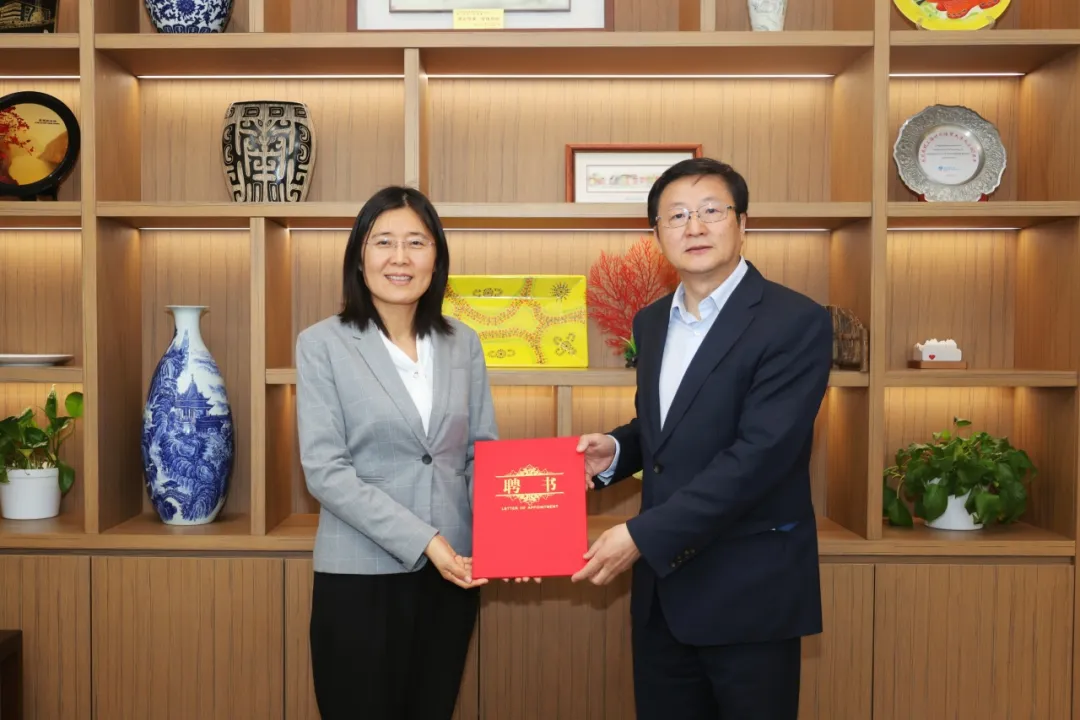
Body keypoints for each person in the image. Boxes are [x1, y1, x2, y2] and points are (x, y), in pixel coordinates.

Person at [572, 158, 833, 720]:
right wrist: (616, 452)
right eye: (677, 215)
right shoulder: (650, 322)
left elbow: (760, 457)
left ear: (743, 224)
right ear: (657, 234)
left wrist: (640, 535)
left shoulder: (795, 320)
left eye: (711, 211)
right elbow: (667, 427)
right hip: (664, 596)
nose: (694, 227)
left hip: (749, 594)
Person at [295, 185, 498, 720]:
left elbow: (481, 455)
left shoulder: (464, 343)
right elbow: (326, 472)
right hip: (359, 576)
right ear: (359, 257)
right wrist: (426, 541)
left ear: (437, 257)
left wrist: (511, 540)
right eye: (383, 241)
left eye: (416, 242)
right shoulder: (321, 344)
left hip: (452, 577)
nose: (400, 257)